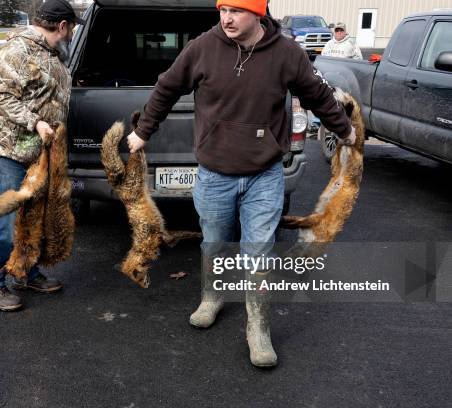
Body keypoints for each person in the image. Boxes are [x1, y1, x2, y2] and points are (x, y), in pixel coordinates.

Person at [127, 0, 356, 367]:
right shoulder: (203, 47)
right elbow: (167, 87)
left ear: (258, 13)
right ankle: (213, 295)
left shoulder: (286, 53)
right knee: (215, 242)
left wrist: (344, 130)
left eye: (237, 11)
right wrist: (142, 132)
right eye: (223, 10)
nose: (227, 18)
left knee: (259, 249)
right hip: (215, 175)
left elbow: (316, 94)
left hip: (264, 176)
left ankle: (258, 326)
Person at [0, 0, 84, 312]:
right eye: (72, 28)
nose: (71, 34)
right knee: (5, 221)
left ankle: (25, 271)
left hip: (36, 154)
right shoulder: (17, 50)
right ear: (63, 26)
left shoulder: (50, 53)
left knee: (31, 219)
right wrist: (35, 122)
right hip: (6, 151)